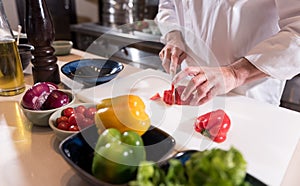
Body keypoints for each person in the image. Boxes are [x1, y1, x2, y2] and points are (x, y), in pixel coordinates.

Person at [155, 0, 300, 106]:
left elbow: (297, 30)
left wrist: (235, 74)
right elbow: (168, 5)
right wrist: (173, 35)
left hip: (247, 95)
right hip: (189, 87)